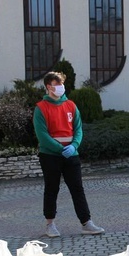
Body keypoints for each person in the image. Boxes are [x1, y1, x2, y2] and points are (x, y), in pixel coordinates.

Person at [34, 71, 104, 237]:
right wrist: (59, 149)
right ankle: (50, 224)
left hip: (71, 154)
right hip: (50, 156)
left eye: (61, 84)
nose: (60, 87)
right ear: (48, 87)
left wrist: (74, 146)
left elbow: (78, 129)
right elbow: (42, 136)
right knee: (51, 189)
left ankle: (86, 223)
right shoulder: (40, 108)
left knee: (77, 189)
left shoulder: (71, 106)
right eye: (56, 84)